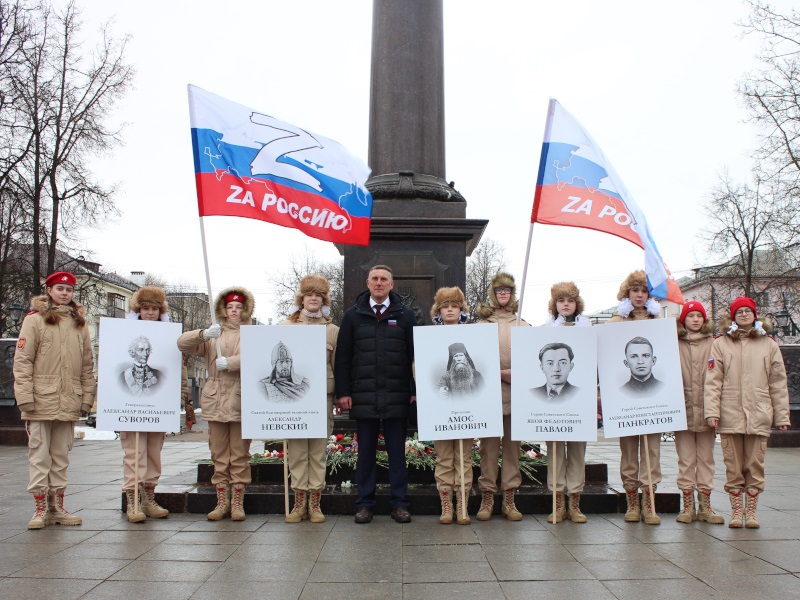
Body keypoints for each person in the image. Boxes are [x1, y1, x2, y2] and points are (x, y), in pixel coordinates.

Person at [335, 265, 416, 524]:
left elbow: (416, 356)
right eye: (375, 279)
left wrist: (415, 391)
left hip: (397, 396)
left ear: (392, 285)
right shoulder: (352, 316)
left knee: (397, 454)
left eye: (384, 280)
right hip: (364, 396)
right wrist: (343, 392)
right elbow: (343, 357)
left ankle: (399, 504)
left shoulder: (406, 315)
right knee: (366, 454)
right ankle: (365, 503)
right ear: (368, 283)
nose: (379, 283)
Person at [13, 271, 95, 529]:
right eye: (59, 288)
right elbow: (23, 361)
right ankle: (40, 509)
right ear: (49, 290)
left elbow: (87, 365)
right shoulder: (35, 320)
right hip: (40, 400)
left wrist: (86, 399)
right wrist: (25, 398)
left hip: (68, 399)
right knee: (39, 455)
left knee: (60, 455)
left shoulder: (79, 324)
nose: (64, 293)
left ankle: (57, 507)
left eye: (69, 290)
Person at [705, 296, 790, 528]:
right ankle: (736, 511)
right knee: (733, 465)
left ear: (755, 315)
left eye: (748, 311)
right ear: (733, 316)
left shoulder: (769, 344)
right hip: (730, 412)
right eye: (739, 311)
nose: (743, 314)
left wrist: (782, 415)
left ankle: (751, 512)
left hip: (759, 412)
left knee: (755, 464)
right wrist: (712, 412)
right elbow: (713, 381)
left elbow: (778, 382)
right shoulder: (721, 343)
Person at [178, 287, 254, 521]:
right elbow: (182, 344)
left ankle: (238, 502)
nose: (234, 311)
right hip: (215, 399)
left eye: (239, 307)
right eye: (230, 307)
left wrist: (230, 362)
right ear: (223, 309)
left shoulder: (251, 333)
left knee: (240, 454)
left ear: (245, 310)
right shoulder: (214, 335)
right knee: (219, 454)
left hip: (241, 399)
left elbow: (258, 356)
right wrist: (203, 334)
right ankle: (222, 501)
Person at [120, 286, 189, 523]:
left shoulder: (168, 336)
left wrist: (180, 395)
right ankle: (133, 501)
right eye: (146, 308)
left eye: (155, 309)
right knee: (134, 453)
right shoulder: (123, 333)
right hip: (131, 410)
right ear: (138, 310)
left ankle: (149, 498)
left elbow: (178, 368)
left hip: (157, 408)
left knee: (153, 454)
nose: (150, 313)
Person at [280, 275, 338, 524]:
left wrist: (334, 394)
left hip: (320, 399)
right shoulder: (285, 328)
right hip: (293, 400)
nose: (313, 299)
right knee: (296, 452)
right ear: (301, 299)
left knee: (316, 452)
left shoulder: (333, 331)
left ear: (323, 300)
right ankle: (298, 502)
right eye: (309, 295)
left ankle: (315, 502)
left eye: (318, 296)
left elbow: (336, 367)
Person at [607, 270, 662, 525]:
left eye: (643, 291)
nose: (639, 295)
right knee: (628, 451)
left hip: (654, 400)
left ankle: (649, 502)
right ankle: (632, 501)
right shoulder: (615, 322)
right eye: (635, 291)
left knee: (651, 451)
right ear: (627, 294)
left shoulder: (658, 322)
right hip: (625, 400)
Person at [475, 272, 529, 521]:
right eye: (499, 291)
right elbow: (474, 360)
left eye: (507, 290)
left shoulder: (523, 325)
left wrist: (516, 373)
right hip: (488, 396)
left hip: (515, 396)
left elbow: (534, 361)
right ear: (493, 294)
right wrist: (498, 372)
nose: (503, 294)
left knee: (511, 449)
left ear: (513, 293)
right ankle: (487, 496)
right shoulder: (481, 326)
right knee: (487, 449)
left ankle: (509, 498)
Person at [541, 281, 591, 523]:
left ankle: (575, 502)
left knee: (577, 453)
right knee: (555, 453)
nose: (566, 304)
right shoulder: (545, 330)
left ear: (576, 303)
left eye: (570, 300)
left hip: (579, 400)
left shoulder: (588, 329)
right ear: (555, 305)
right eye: (561, 301)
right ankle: (557, 502)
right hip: (552, 405)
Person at [674, 301, 724, 525]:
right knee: (686, 460)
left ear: (704, 320)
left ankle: (705, 505)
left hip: (706, 410)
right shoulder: (674, 343)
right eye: (690, 316)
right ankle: (687, 506)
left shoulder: (714, 344)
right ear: (683, 320)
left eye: (699, 316)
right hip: (682, 409)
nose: (695, 319)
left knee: (706, 459)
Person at [430, 287, 474, 525]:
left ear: (461, 310)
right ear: (439, 311)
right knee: (444, 457)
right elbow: (421, 369)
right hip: (441, 413)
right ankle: (446, 504)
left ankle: (463, 504)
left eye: (454, 306)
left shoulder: (474, 337)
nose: (449, 310)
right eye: (445, 306)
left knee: (464, 457)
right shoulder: (429, 338)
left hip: (467, 415)